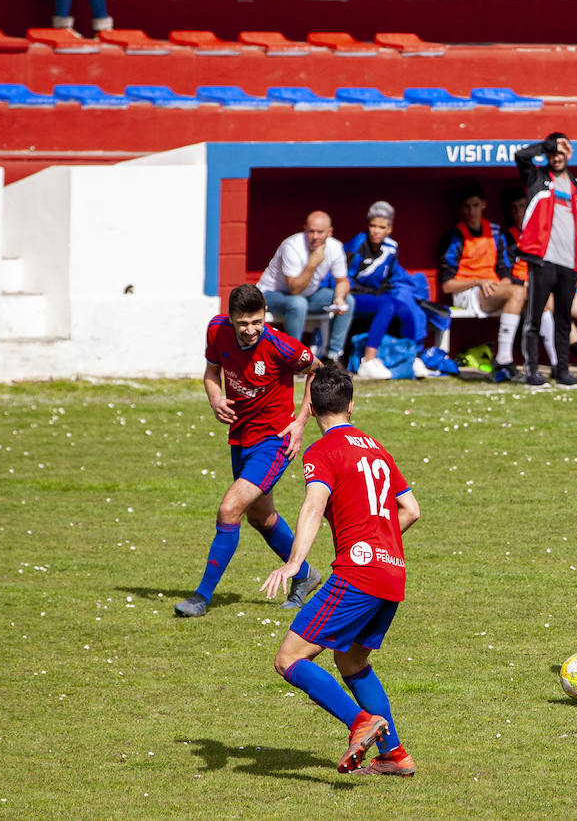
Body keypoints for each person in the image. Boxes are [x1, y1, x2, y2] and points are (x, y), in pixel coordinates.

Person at [261, 365, 420, 775]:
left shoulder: (322, 452)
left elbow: (314, 505)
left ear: (311, 408)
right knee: (351, 662)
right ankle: (395, 756)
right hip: (393, 573)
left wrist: (295, 562)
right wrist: (380, 541)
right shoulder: (378, 448)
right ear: (351, 404)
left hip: (358, 574)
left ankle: (359, 722)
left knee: (289, 658)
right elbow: (411, 511)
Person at [175, 284, 323, 618]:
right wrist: (214, 397)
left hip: (274, 441)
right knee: (260, 516)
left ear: (265, 314)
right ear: (231, 319)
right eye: (243, 323)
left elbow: (317, 370)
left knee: (229, 510)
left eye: (257, 321)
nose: (251, 329)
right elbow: (212, 372)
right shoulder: (217, 330)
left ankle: (200, 597)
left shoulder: (281, 345)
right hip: (241, 438)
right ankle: (305, 575)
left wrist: (300, 423)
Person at [501, 187, 577, 378]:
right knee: (560, 311)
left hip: (555, 289)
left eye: (522, 207)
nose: (518, 213)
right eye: (514, 208)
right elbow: (505, 274)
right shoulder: (507, 238)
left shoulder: (547, 234)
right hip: (529, 292)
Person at [514, 133, 577, 389]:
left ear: (569, 154)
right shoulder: (537, 177)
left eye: (560, 153)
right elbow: (521, 156)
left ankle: (563, 372)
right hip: (542, 259)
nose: (556, 158)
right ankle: (532, 372)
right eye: (552, 153)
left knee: (564, 320)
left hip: (570, 263)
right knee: (534, 318)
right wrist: (547, 145)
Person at [439, 183, 527, 382]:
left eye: (475, 205)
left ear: (484, 205)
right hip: (466, 292)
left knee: (537, 295)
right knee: (517, 293)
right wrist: (478, 281)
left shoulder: (495, 233)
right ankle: (503, 359)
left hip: (493, 289)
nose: (471, 211)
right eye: (467, 206)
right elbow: (447, 285)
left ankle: (553, 364)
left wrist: (501, 285)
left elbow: (505, 272)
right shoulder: (454, 236)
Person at [344, 201, 440, 381]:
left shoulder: (391, 247)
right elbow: (344, 279)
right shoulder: (357, 244)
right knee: (387, 305)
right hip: (352, 297)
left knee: (404, 308)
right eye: (372, 226)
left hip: (377, 296)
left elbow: (392, 275)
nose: (376, 231)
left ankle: (411, 356)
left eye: (382, 227)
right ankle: (368, 360)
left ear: (389, 229)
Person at [258, 211, 355, 364]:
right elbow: (295, 289)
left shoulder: (335, 247)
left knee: (348, 300)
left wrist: (338, 298)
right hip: (272, 294)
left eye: (320, 232)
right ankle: (294, 358)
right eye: (311, 231)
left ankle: (332, 357)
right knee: (298, 303)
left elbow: (342, 281)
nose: (315, 236)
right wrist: (312, 263)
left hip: (308, 296)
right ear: (304, 229)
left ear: (329, 232)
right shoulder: (292, 245)